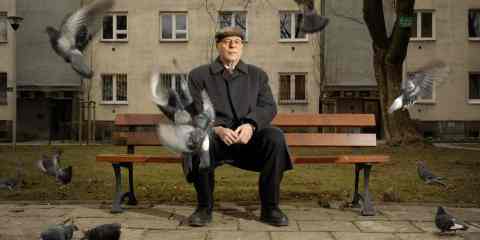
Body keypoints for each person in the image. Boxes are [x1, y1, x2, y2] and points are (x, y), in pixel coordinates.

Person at [186, 26, 293, 227]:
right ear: (218, 46)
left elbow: (268, 106)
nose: (233, 45)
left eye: (237, 41)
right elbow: (195, 110)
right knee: (200, 139)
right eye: (227, 41)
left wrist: (251, 125)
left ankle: (270, 208)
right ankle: (203, 208)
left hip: (248, 141)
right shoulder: (199, 75)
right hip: (216, 141)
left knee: (275, 137)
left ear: (242, 46)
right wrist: (215, 128)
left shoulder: (257, 75)